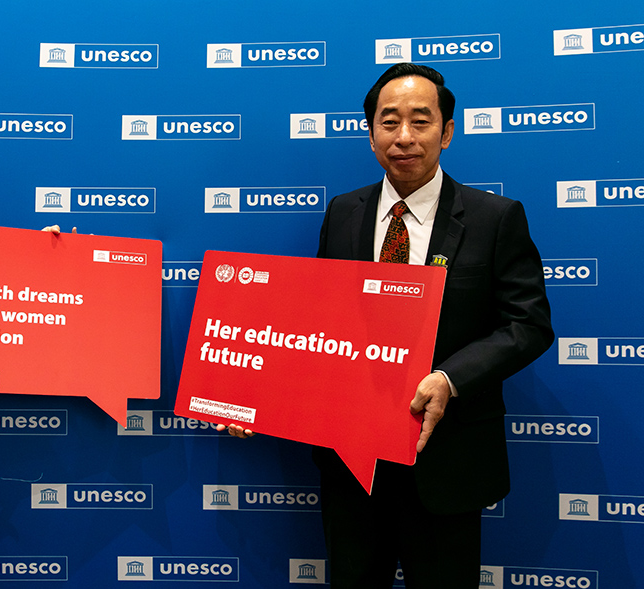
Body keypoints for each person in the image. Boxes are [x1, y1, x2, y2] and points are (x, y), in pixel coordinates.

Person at [220, 63, 553, 588]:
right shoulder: (343, 212)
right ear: (370, 133)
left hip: (445, 461)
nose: (404, 137)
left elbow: (528, 325)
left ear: (446, 132)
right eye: (388, 121)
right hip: (352, 465)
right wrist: (253, 396)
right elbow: (314, 332)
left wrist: (449, 379)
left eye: (420, 122)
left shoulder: (495, 218)